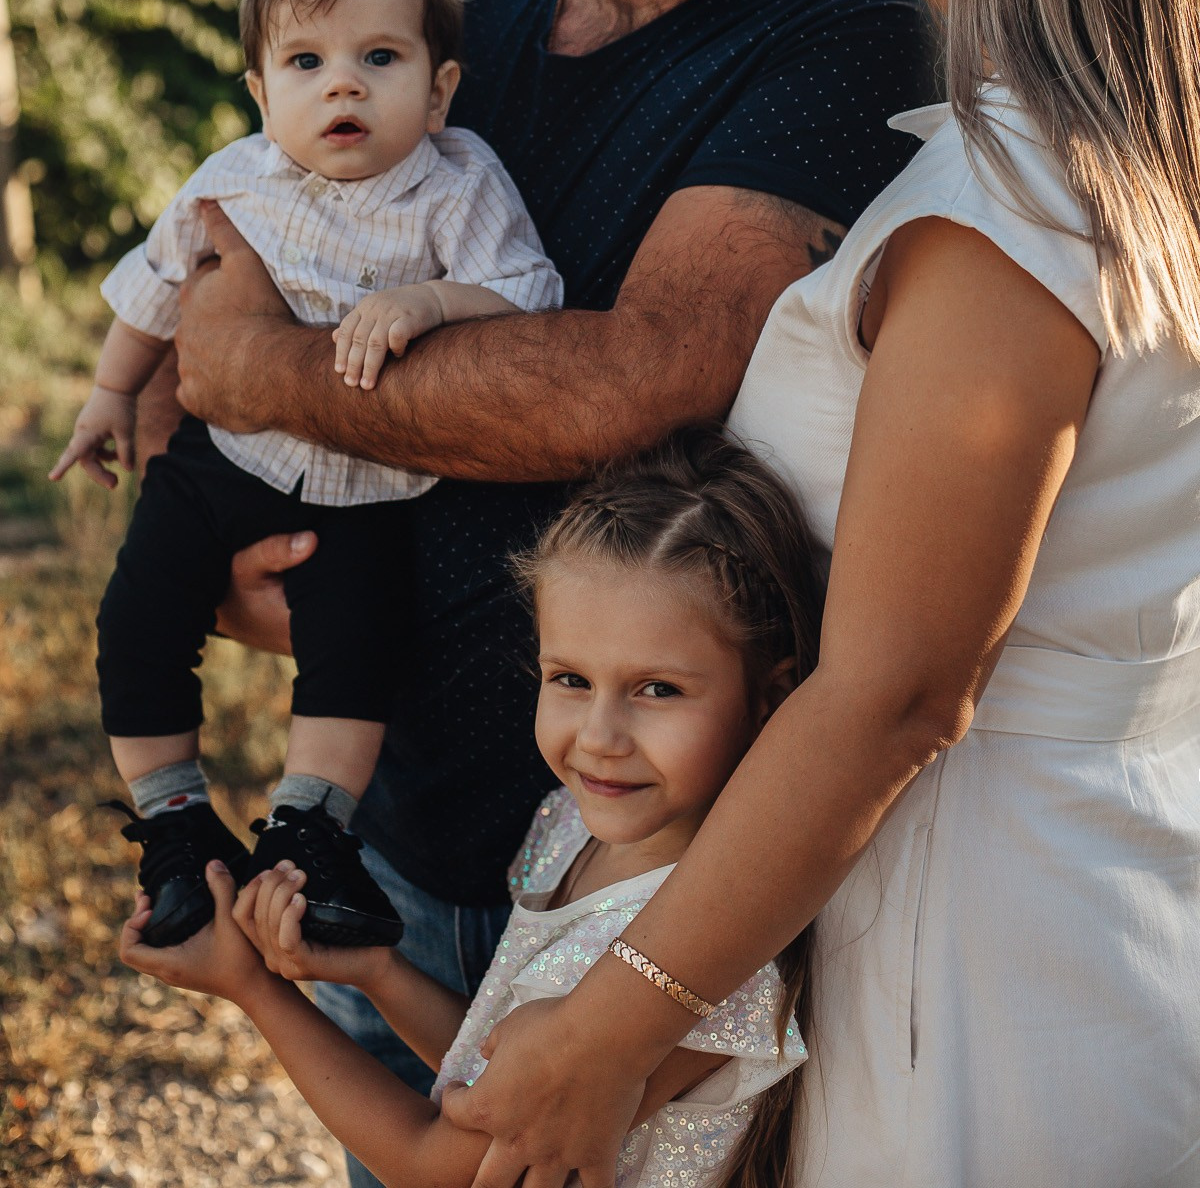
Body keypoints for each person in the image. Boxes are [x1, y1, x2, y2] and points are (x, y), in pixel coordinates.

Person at [148, 0, 935, 1186]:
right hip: (372, 802)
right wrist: (230, 538)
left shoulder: (844, 39)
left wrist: (253, 371)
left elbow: (619, 387)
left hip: (616, 857)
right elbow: (207, 282)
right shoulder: (431, 20)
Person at [441, 0, 1200, 1188]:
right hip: (1098, 870)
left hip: (978, 948)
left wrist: (616, 1022)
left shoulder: (1005, 224)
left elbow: (897, 694)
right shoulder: (1128, 171)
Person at [120, 429, 819, 1188]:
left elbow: (435, 1164)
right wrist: (379, 973)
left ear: (769, 697)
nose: (600, 738)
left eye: (659, 689)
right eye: (570, 679)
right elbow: (497, 1067)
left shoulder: (714, 949)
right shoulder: (568, 820)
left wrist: (255, 990)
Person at [56, 0, 561, 950]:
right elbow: (157, 288)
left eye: (380, 57)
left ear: (439, 90)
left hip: (370, 483)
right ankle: (175, 820)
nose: (344, 84)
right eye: (306, 60)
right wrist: (110, 396)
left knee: (354, 659)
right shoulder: (232, 179)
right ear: (261, 91)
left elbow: (526, 289)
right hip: (221, 458)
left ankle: (307, 833)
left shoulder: (455, 182)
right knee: (138, 620)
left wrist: (428, 302)